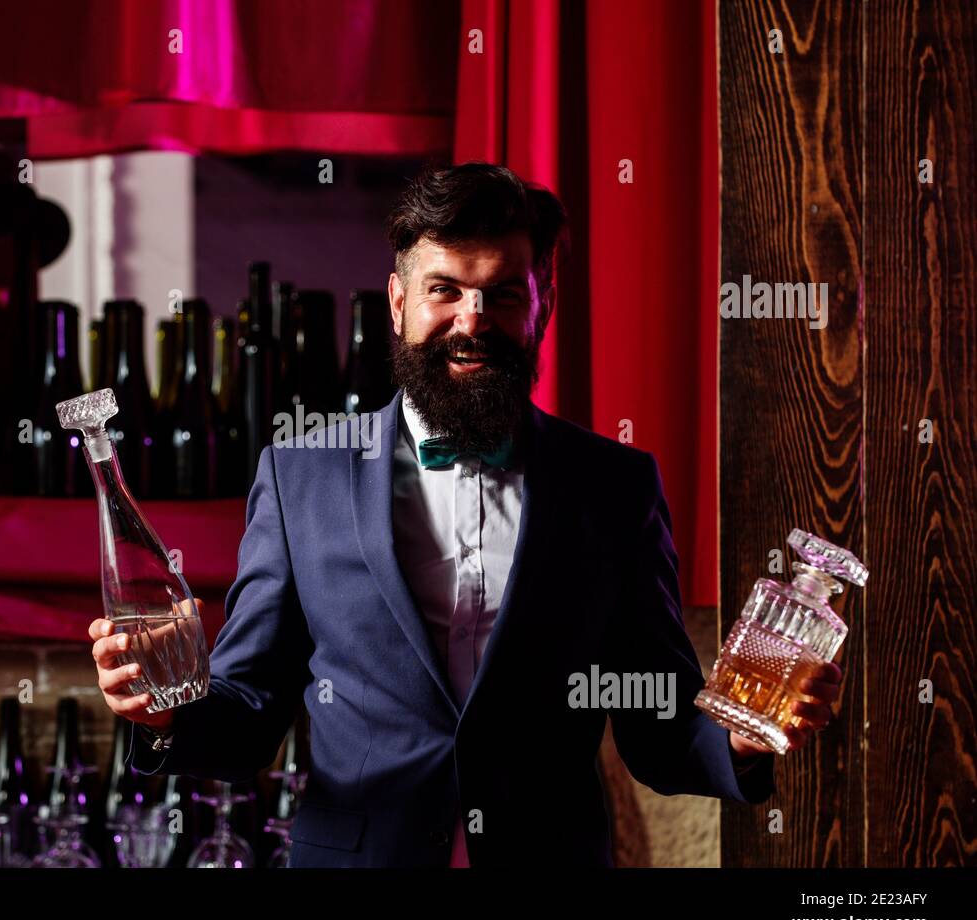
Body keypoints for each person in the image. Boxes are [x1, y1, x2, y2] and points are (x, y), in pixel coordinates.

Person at [89, 162, 843, 867]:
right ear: (397, 302)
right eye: (444, 289)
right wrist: (164, 717)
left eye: (502, 294)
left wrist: (740, 740)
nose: (471, 320)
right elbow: (250, 709)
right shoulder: (298, 477)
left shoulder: (615, 487)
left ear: (539, 303)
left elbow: (659, 726)